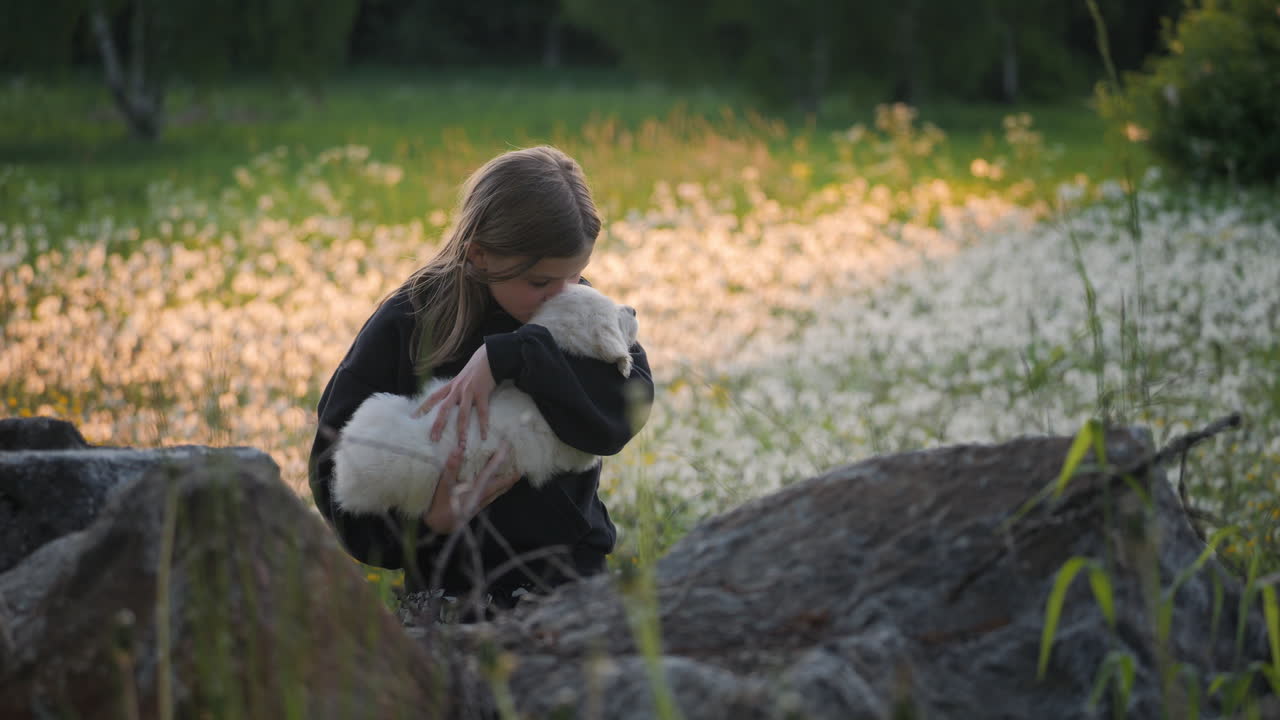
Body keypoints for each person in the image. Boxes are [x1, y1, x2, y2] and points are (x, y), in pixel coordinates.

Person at [308, 146, 653, 620]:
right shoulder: (411, 320)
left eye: (574, 276)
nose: (562, 294)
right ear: (481, 256)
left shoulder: (577, 313)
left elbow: (619, 414)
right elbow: (335, 463)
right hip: (448, 596)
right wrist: (428, 524)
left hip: (567, 584)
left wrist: (509, 355)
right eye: (540, 283)